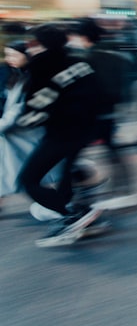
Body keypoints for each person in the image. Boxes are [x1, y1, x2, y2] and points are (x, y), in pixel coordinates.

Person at [17, 23, 103, 247]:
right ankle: (84, 218)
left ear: (42, 44)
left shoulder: (44, 66)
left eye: (32, 43)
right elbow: (98, 94)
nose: (28, 48)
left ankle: (71, 215)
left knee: (29, 179)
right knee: (66, 176)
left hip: (61, 132)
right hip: (86, 129)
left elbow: (37, 108)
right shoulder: (80, 61)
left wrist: (23, 121)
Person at [67, 18, 137, 209]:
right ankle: (126, 189)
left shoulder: (86, 60)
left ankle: (82, 192)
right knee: (112, 151)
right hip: (111, 113)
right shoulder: (118, 57)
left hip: (91, 115)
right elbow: (127, 86)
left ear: (83, 37)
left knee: (71, 153)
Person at [0, 39, 39, 211]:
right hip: (15, 135)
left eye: (14, 55)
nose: (10, 59)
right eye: (8, 55)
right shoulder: (16, 75)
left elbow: (16, 111)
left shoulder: (30, 78)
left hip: (26, 135)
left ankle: (59, 207)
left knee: (29, 175)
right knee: (9, 172)